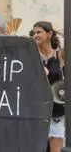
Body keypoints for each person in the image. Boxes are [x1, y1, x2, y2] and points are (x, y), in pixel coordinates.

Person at [30, 21, 64, 152]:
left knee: (55, 149)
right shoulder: (32, 55)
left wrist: (58, 31)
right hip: (37, 107)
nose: (35, 35)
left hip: (56, 108)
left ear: (49, 34)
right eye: (34, 33)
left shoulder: (59, 54)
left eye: (39, 32)